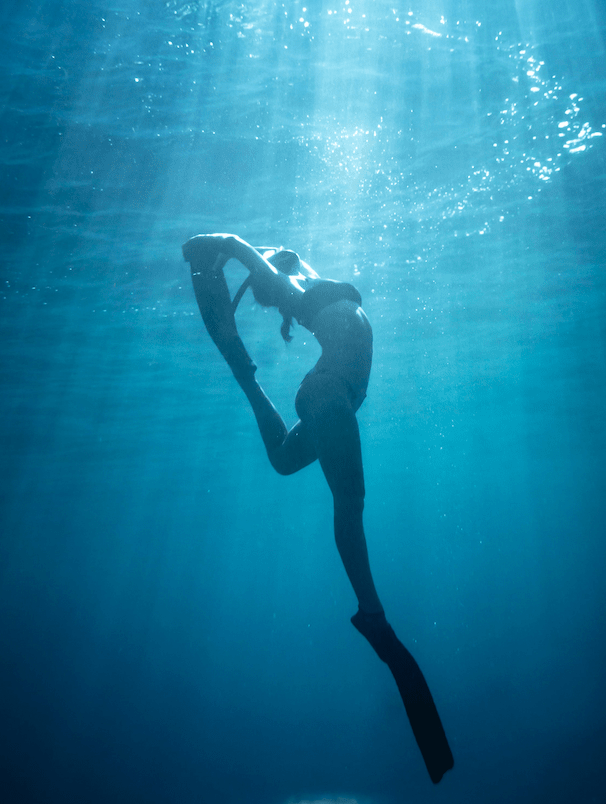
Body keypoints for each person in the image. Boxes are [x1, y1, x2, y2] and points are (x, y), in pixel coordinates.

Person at [182, 233, 453, 784]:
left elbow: (283, 263)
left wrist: (252, 283)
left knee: (285, 461)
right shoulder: (296, 292)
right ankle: (370, 611)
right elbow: (246, 250)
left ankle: (246, 379)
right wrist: (218, 248)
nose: (273, 293)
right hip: (329, 394)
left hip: (332, 397)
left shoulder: (303, 286)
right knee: (350, 503)